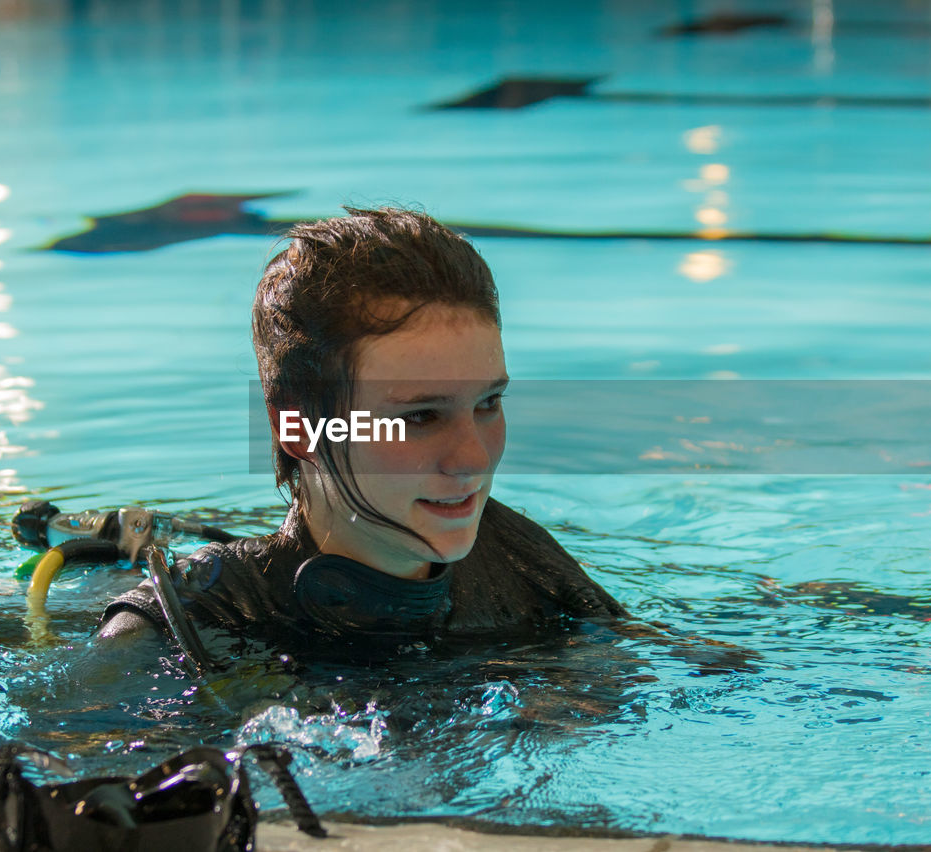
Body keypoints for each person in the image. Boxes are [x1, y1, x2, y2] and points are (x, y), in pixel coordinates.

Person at [98, 206, 753, 671]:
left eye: (488, 403)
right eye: (419, 417)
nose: (473, 459)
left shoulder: (514, 556)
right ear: (295, 427)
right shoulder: (184, 628)